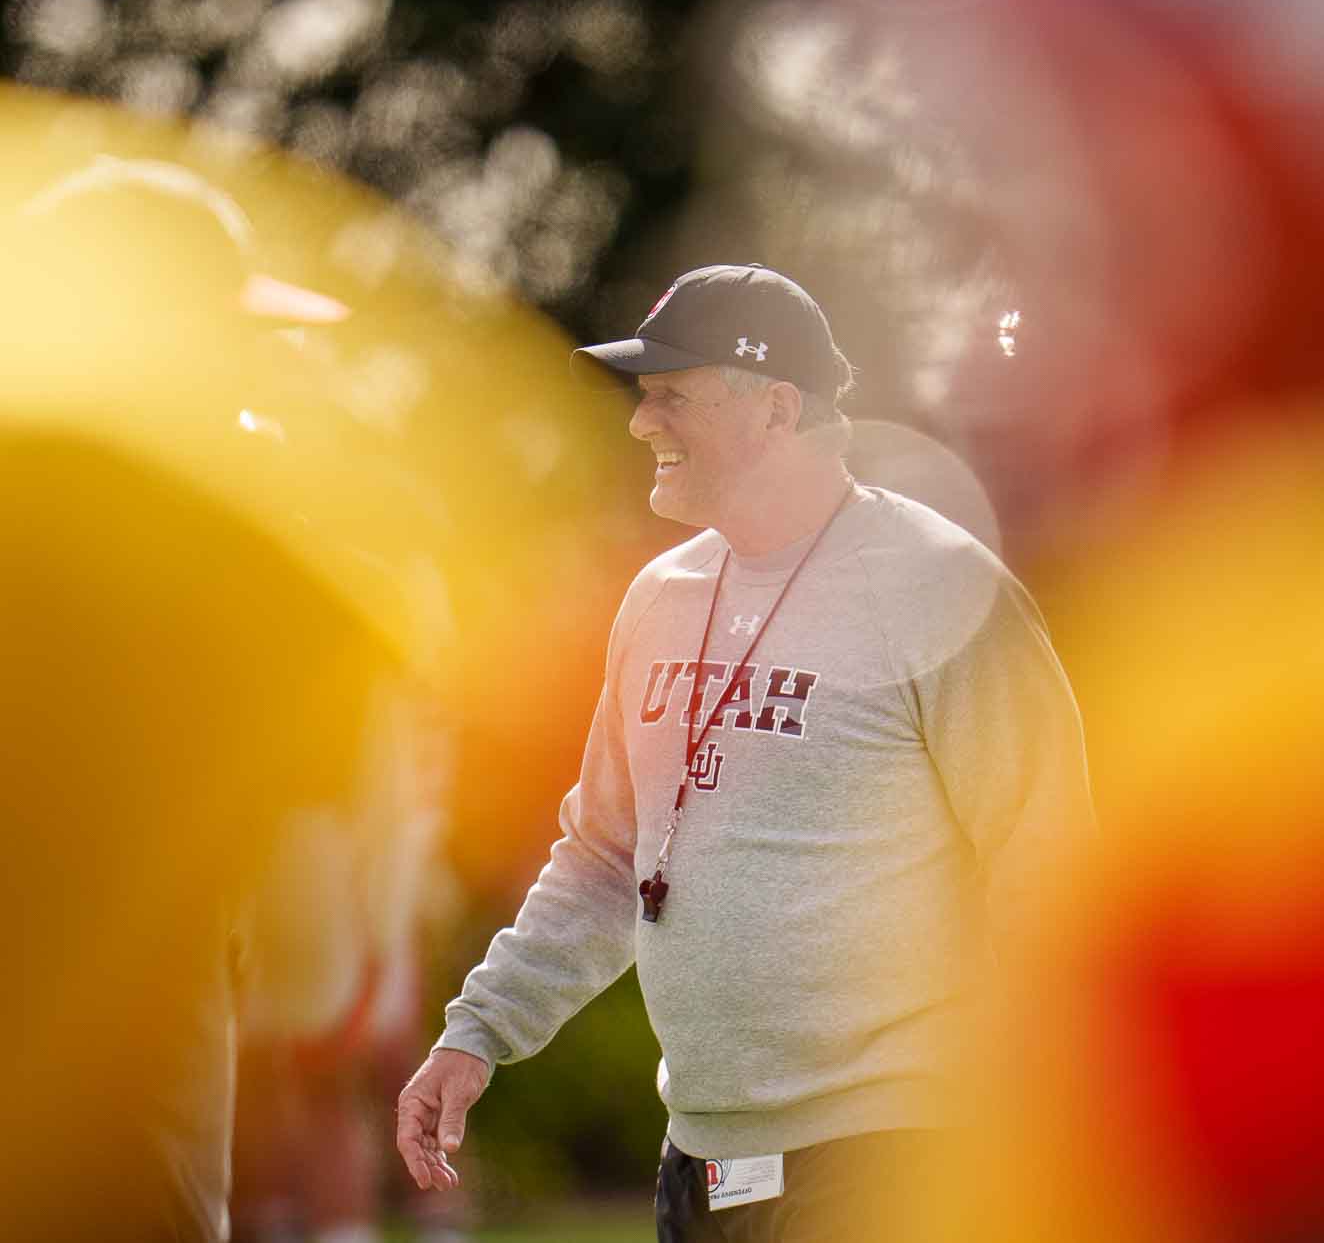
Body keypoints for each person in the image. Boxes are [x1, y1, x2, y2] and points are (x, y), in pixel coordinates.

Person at [395, 264, 1093, 1241]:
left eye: (673, 396)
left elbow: (1048, 868)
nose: (642, 424)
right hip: (705, 1159)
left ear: (774, 410)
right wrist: (477, 1034)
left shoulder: (941, 588)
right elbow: (608, 857)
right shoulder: (658, 598)